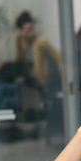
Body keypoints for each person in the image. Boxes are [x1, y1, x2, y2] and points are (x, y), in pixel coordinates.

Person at [14, 10, 63, 142]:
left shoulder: (40, 41)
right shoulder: (19, 42)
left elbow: (57, 56)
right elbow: (19, 60)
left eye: (32, 29)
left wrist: (62, 74)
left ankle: (46, 132)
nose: (30, 32)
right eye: (27, 30)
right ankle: (32, 126)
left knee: (46, 105)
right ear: (20, 30)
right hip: (30, 79)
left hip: (42, 80)